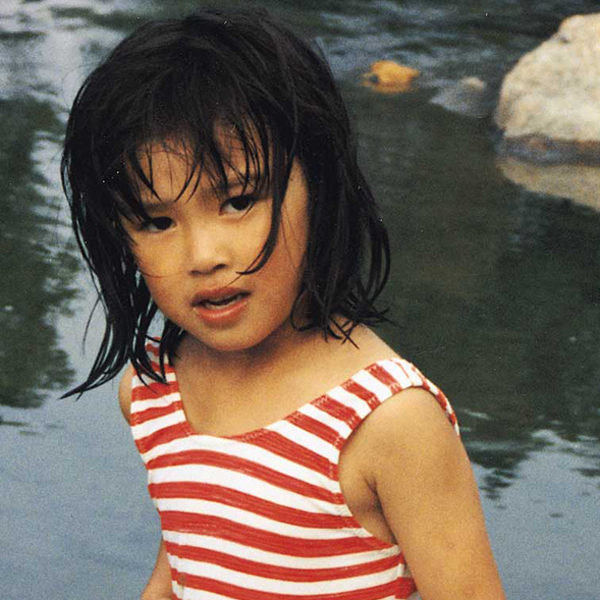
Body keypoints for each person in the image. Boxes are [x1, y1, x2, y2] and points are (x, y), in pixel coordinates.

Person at [61, 7, 506, 600]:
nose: (203, 255)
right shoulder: (154, 393)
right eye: (157, 220)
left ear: (320, 183)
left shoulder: (386, 423)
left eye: (239, 200)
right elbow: (194, 555)